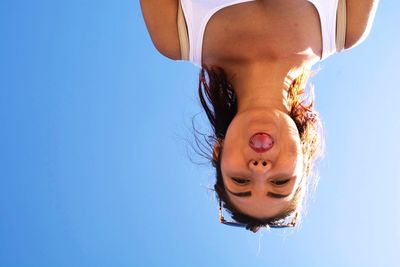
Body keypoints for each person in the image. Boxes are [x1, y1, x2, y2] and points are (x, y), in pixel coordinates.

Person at [140, 0, 379, 232]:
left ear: (218, 151)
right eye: (280, 182)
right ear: (305, 157)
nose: (260, 168)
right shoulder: (346, 24)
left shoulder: (175, 33)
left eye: (240, 181)